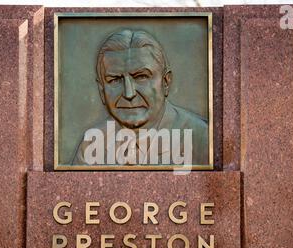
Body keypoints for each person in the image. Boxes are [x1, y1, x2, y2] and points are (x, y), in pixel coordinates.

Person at [72, 29, 208, 165]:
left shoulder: (202, 138)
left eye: (141, 77)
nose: (129, 94)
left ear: (166, 82)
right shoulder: (92, 144)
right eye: (115, 80)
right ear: (102, 90)